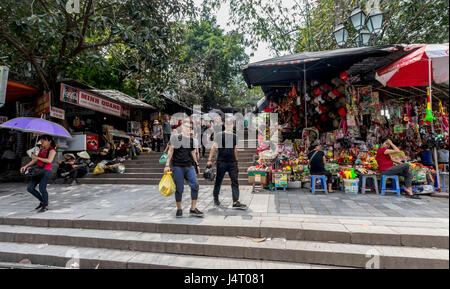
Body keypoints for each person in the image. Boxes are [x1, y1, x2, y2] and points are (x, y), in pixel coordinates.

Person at [164, 116, 203, 218]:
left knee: (195, 186)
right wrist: (167, 165)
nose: (188, 129)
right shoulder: (175, 138)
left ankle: (193, 209)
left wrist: (197, 164)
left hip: (189, 166)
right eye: (186, 127)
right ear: (181, 127)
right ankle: (179, 209)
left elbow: (193, 153)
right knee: (179, 189)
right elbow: (170, 151)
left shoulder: (191, 140)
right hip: (177, 167)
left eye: (190, 127)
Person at [207, 116, 247, 209]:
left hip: (232, 162)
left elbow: (235, 149)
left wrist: (236, 162)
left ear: (233, 125)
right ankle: (216, 198)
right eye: (227, 124)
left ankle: (235, 201)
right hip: (221, 162)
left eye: (231, 124)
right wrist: (209, 159)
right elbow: (214, 147)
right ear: (225, 125)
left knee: (235, 181)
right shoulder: (220, 135)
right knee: (218, 180)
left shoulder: (235, 136)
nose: (229, 125)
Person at [20, 135, 56, 212]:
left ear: (49, 141)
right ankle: (43, 201)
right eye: (41, 140)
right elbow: (35, 160)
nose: (42, 141)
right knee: (30, 188)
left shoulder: (52, 150)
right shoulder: (41, 148)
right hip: (37, 170)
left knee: (42, 188)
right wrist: (26, 166)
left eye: (44, 140)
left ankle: (45, 205)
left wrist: (37, 157)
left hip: (46, 171)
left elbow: (49, 160)